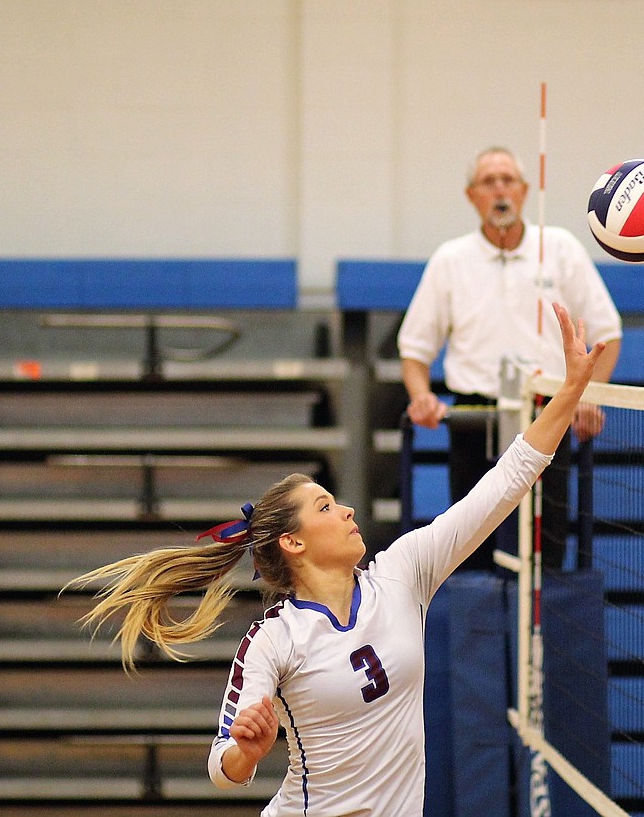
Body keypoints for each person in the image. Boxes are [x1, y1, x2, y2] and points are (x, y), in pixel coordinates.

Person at [67, 303, 605, 817]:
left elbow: (505, 482)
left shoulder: (404, 572)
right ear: (293, 543)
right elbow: (221, 766)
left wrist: (570, 388)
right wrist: (246, 753)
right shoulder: (275, 638)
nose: (348, 510)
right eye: (326, 506)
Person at [398, 146, 622, 571]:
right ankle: (480, 635)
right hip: (473, 421)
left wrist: (590, 397)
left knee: (547, 551)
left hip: (546, 416)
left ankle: (540, 638)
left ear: (524, 190)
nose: (499, 189)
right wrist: (422, 395)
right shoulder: (450, 259)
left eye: (507, 180)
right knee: (468, 549)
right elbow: (414, 349)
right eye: (488, 181)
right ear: (471, 195)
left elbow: (607, 331)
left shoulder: (559, 248)